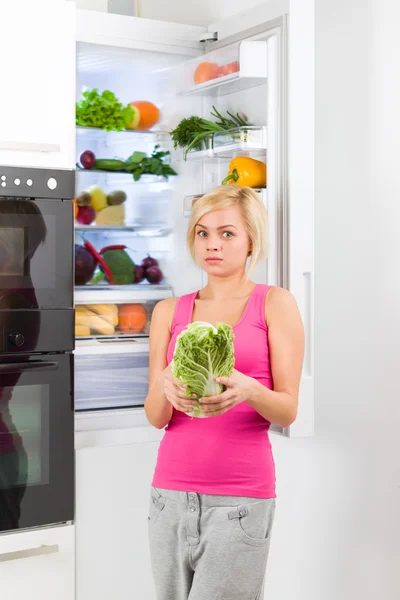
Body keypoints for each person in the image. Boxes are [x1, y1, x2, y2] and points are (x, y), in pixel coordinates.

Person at [144, 184, 305, 600]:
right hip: (169, 496)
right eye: (202, 233)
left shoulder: (274, 304)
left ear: (252, 238)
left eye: (227, 233)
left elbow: (287, 411)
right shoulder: (169, 311)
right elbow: (156, 417)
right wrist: (165, 383)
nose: (212, 244)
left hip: (240, 500)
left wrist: (249, 389)